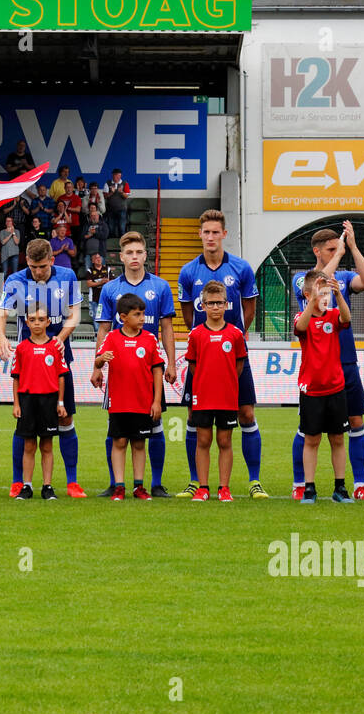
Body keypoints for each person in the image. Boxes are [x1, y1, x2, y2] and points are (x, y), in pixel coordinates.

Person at [177, 209, 265, 498]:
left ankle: (254, 481)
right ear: (199, 235)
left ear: (224, 234)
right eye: (206, 232)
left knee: (247, 413)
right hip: (202, 356)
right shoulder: (189, 271)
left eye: (216, 232)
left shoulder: (241, 268)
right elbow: (188, 314)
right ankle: (195, 482)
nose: (211, 237)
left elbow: (249, 309)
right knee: (193, 417)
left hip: (232, 352)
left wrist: (232, 334)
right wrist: (205, 338)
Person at [291, 222, 364, 500]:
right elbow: (317, 285)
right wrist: (339, 256)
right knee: (308, 430)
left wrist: (352, 247)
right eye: (330, 249)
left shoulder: (343, 277)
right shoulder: (303, 279)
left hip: (345, 362)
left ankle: (358, 485)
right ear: (318, 250)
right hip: (316, 371)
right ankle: (301, 484)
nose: (335, 251)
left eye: (336, 247)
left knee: (354, 421)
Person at [0, 238, 86, 499]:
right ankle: (18, 482)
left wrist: (59, 339)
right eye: (33, 267)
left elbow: (75, 314)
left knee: (65, 417)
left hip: (58, 354)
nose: (37, 272)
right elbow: (1, 314)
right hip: (28, 361)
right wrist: (1, 337)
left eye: (43, 267)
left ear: (52, 261)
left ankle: (71, 482)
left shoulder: (68, 276)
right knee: (24, 423)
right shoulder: (15, 280)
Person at [94, 231, 177, 497]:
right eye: (129, 252)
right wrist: (97, 366)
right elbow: (104, 329)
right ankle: (115, 483)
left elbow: (167, 326)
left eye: (139, 252)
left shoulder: (161, 287)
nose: (134, 257)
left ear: (145, 255)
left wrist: (171, 363)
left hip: (148, 366)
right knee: (116, 430)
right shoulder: (110, 289)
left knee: (154, 426)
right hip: (120, 373)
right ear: (121, 256)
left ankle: (155, 483)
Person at [91, 293, 165, 501]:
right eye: (137, 314)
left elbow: (157, 370)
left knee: (140, 443)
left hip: (142, 401)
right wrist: (100, 360)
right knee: (119, 441)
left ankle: (139, 487)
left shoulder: (150, 339)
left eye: (143, 314)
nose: (142, 318)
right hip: (119, 401)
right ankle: (119, 486)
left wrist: (156, 400)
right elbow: (98, 363)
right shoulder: (112, 337)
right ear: (123, 317)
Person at [294, 270, 353, 503]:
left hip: (336, 388)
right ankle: (309, 487)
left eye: (328, 292)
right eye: (322, 293)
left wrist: (339, 296)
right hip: (311, 390)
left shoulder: (334, 315)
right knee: (312, 439)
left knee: (338, 438)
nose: (325, 297)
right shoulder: (303, 316)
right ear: (308, 294)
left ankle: (340, 487)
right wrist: (312, 301)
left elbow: (346, 319)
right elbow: (301, 326)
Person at [185, 280, 247, 501]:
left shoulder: (235, 334)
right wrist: (205, 381)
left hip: (227, 396)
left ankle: (224, 488)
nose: (215, 307)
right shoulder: (196, 334)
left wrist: (225, 381)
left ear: (226, 304)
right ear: (202, 306)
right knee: (203, 441)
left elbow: (238, 365)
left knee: (224, 441)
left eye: (219, 303)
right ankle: (203, 487)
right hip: (203, 396)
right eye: (210, 303)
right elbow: (193, 365)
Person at [10, 305, 68, 500]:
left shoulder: (55, 347)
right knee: (28, 446)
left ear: (48, 322)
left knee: (47, 445)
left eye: (41, 319)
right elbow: (16, 378)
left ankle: (47, 486)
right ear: (27, 322)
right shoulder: (21, 347)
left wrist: (60, 402)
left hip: (49, 400)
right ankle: (26, 486)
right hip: (27, 400)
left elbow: (61, 377)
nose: (36, 323)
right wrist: (16, 404)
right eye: (32, 319)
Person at [105, 169, 129, 235]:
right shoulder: (107, 183)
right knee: (111, 228)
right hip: (110, 209)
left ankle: (122, 243)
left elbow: (126, 196)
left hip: (122, 209)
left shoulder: (125, 183)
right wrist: (111, 193)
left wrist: (121, 192)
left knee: (122, 228)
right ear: (113, 175)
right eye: (116, 176)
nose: (118, 177)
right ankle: (112, 243)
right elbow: (105, 196)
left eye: (119, 176)